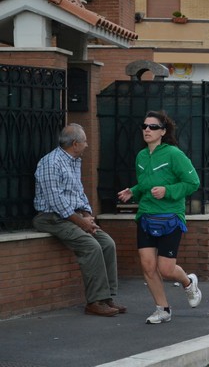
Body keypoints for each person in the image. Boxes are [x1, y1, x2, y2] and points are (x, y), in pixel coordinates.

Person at [33, 123, 126, 317]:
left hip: (73, 216)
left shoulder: (74, 161)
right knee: (90, 246)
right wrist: (80, 222)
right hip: (51, 217)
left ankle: (107, 297)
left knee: (107, 243)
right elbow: (55, 200)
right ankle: (94, 302)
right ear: (75, 143)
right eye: (84, 141)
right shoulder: (51, 163)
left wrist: (86, 214)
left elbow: (79, 193)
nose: (87, 145)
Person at [117, 110, 201, 324]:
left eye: (153, 127)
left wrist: (167, 191)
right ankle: (162, 309)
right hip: (146, 215)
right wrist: (134, 190)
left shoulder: (174, 154)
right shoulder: (141, 156)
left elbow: (193, 183)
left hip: (170, 217)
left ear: (163, 131)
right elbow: (147, 182)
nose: (147, 130)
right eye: (144, 126)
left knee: (166, 269)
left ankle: (188, 282)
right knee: (147, 266)